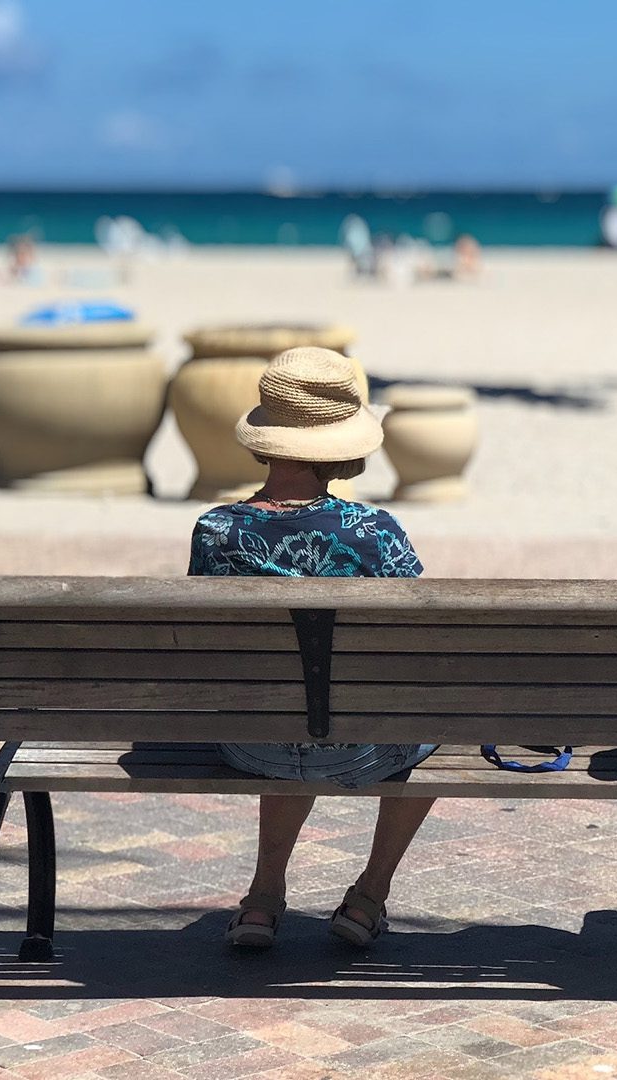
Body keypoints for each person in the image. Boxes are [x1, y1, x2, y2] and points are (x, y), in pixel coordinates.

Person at [188, 347, 437, 951]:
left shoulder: (215, 531)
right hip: (358, 751)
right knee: (438, 721)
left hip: (250, 745)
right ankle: (370, 895)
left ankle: (264, 897)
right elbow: (421, 635)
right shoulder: (374, 534)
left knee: (287, 699)